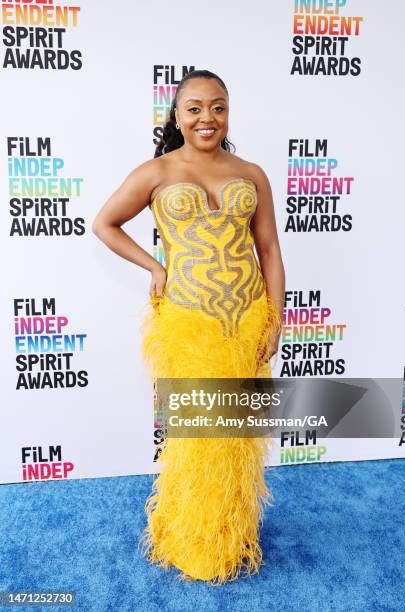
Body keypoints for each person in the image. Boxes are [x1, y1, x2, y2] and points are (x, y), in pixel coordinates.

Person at [92, 69, 285, 584]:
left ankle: (230, 531)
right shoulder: (156, 171)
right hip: (189, 320)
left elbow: (268, 249)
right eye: (195, 107)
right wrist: (155, 267)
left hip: (245, 320)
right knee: (199, 435)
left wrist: (277, 317)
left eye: (218, 107)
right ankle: (192, 538)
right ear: (176, 114)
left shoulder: (253, 173)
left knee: (236, 434)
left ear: (228, 113)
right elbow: (105, 223)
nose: (207, 118)